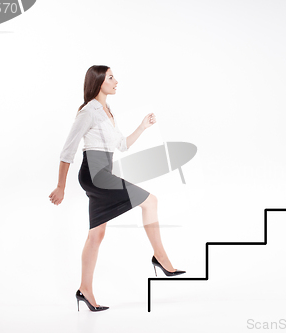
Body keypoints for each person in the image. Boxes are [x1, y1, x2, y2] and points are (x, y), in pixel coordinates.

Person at [48, 65, 185, 312]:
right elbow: (67, 150)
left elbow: (122, 145)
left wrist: (143, 127)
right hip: (94, 174)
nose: (116, 81)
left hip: (103, 173)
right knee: (150, 201)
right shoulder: (88, 112)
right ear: (99, 82)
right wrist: (60, 186)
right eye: (111, 77)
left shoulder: (108, 111)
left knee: (96, 235)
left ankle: (84, 290)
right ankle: (161, 258)